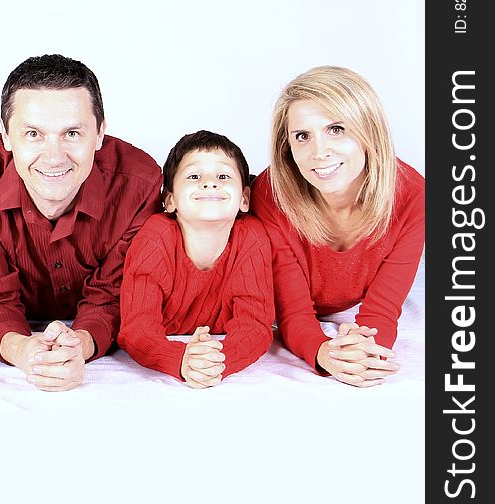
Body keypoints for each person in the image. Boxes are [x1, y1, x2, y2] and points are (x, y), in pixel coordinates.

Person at [0, 54, 162, 391]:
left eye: (72, 133)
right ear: (5, 136)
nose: (54, 156)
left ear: (100, 134)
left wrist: (80, 346)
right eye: (33, 134)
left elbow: (111, 297)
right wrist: (25, 352)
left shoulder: (139, 184)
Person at [250, 66, 425, 387]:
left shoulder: (414, 196)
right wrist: (323, 352)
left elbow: (381, 312)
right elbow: (292, 312)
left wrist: (366, 349)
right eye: (302, 136)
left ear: (368, 130)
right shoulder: (271, 192)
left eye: (336, 129)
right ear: (287, 147)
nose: (319, 152)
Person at [118, 131, 274, 387]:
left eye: (223, 176)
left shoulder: (251, 237)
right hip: (172, 349)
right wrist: (180, 360)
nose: (209, 183)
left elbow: (255, 325)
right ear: (170, 200)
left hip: (214, 356)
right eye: (194, 176)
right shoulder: (155, 237)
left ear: (244, 198)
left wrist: (220, 360)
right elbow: (137, 327)